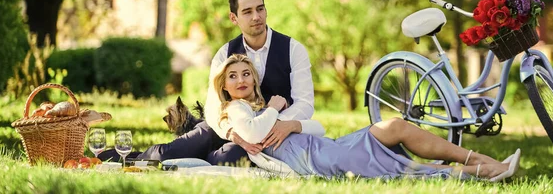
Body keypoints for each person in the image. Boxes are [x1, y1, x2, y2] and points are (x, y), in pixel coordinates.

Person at [214, 53, 522, 181]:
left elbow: (319, 127)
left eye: (246, 74)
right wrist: (276, 108)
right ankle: (489, 170)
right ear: (224, 85)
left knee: (396, 126)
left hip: (326, 146)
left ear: (254, 79)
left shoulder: (261, 110)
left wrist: (292, 123)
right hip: (320, 161)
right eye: (233, 76)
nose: (241, 80)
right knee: (408, 166)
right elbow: (253, 134)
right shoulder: (236, 110)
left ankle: (480, 160)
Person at [133, 0, 314, 165]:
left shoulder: (293, 49)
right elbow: (213, 106)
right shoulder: (224, 53)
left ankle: (202, 160)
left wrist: (273, 125)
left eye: (260, 9)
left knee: (229, 159)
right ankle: (121, 157)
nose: (256, 17)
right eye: (247, 11)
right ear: (233, 18)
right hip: (226, 127)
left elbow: (305, 103)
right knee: (164, 156)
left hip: (274, 133)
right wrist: (230, 132)